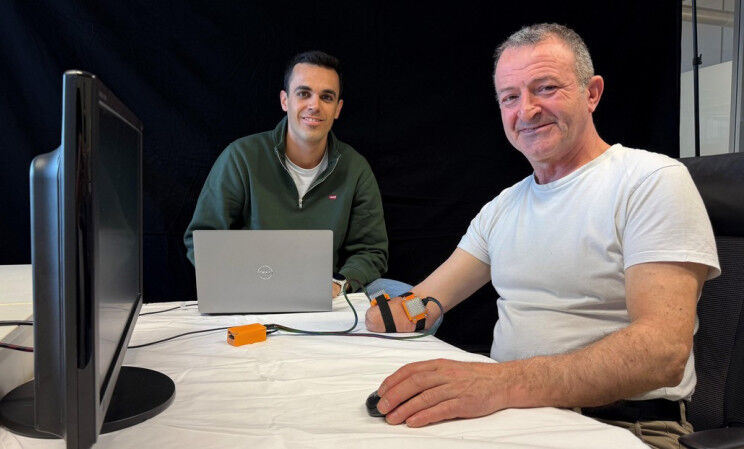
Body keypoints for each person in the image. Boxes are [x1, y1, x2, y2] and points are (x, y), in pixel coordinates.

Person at [364, 23, 720, 449]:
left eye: (546, 88)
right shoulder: (502, 209)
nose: (526, 111)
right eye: (510, 97)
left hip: (625, 428)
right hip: (510, 420)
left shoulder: (650, 181)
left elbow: (662, 352)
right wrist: (394, 311)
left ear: (592, 93)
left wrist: (497, 383)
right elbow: (428, 301)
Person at [185, 50, 394, 297]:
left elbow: (371, 251)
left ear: (337, 109)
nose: (314, 105)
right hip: (253, 293)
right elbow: (202, 240)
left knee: (409, 300)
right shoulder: (241, 157)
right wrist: (247, 282)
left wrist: (339, 283)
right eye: (304, 93)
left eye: (326, 97)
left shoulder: (356, 168)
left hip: (327, 295)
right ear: (285, 101)